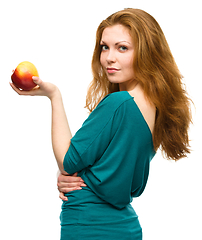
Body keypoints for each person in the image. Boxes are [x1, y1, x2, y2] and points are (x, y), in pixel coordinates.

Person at [10, 8, 192, 240]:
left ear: (147, 53)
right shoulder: (155, 107)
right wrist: (73, 172)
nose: (109, 57)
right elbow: (98, 166)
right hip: (124, 226)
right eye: (105, 46)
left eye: (122, 47)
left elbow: (68, 161)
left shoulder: (120, 103)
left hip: (90, 225)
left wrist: (53, 95)